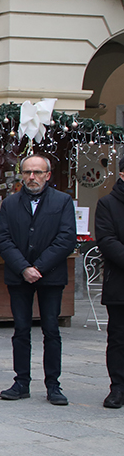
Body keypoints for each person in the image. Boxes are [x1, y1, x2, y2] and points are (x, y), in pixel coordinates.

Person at [0, 155, 76, 405]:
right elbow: (4, 239)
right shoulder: (10, 204)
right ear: (22, 174)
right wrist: (23, 268)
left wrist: (38, 267)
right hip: (19, 277)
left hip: (50, 276)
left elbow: (66, 239)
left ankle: (53, 384)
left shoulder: (62, 202)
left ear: (48, 175)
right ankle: (21, 382)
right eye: (28, 172)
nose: (32, 177)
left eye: (37, 172)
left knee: (51, 329)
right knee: (21, 330)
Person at [94, 158, 124, 410]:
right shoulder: (107, 204)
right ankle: (117, 388)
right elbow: (107, 240)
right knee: (118, 338)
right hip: (120, 285)